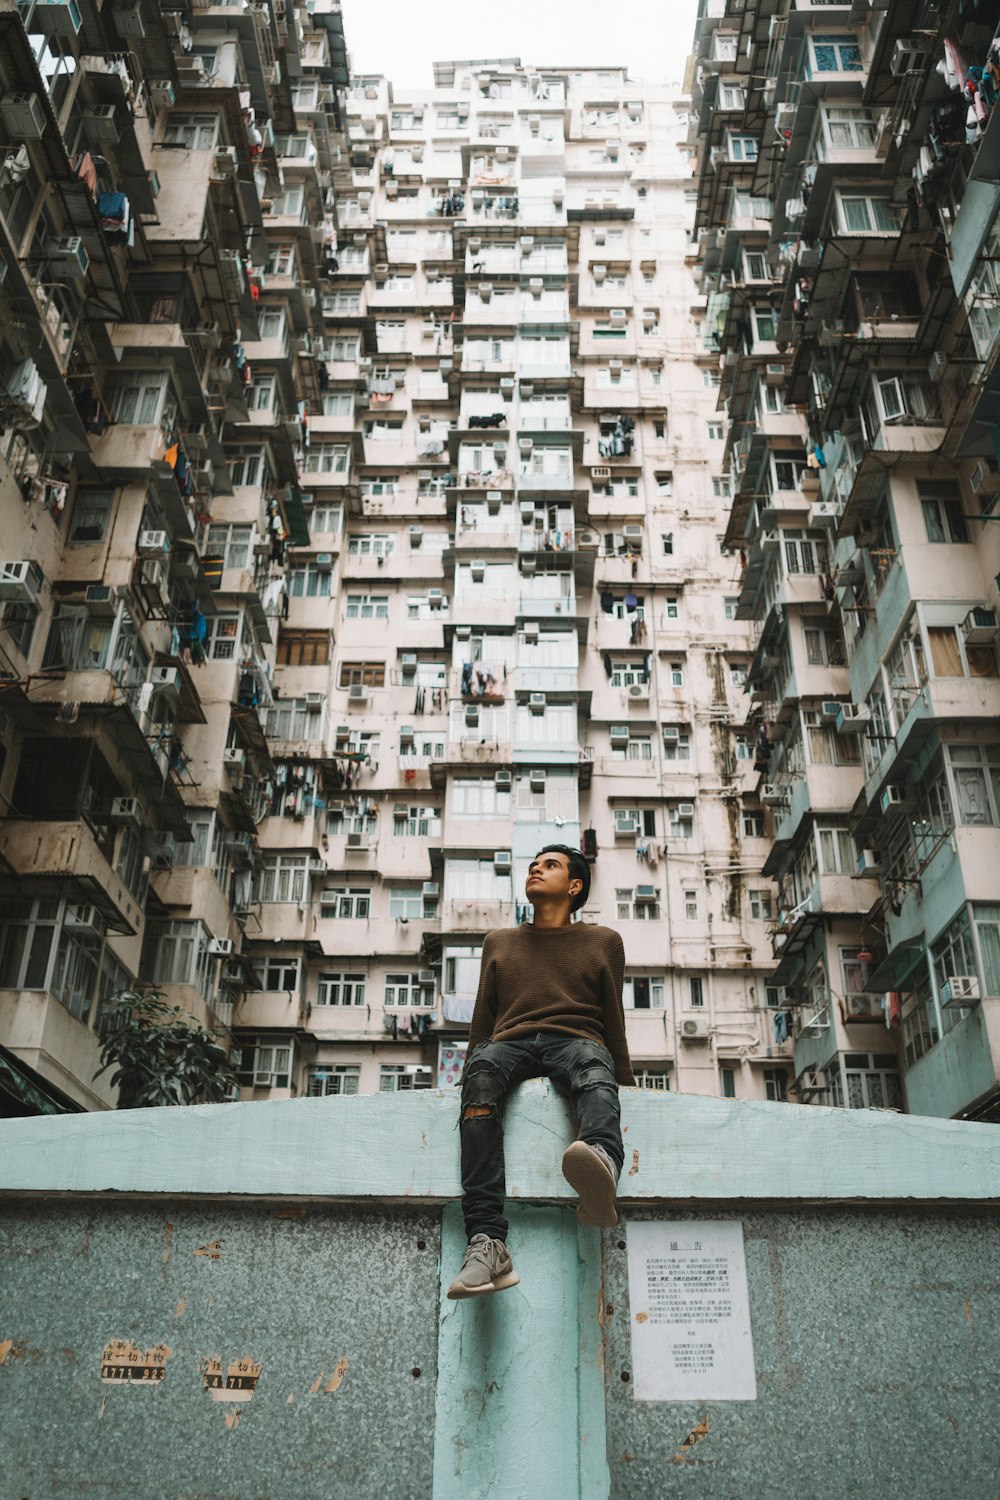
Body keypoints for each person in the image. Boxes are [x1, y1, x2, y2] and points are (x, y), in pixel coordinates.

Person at [446, 844, 635, 1300]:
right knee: (482, 1077)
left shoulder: (603, 941)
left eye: (549, 865)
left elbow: (612, 1016)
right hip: (509, 1043)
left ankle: (603, 1164)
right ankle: (487, 1243)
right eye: (533, 864)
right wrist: (470, 1069)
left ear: (574, 886)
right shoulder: (500, 942)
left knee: (593, 1066)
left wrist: (624, 1077)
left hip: (577, 1039)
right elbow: (482, 1019)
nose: (536, 868)